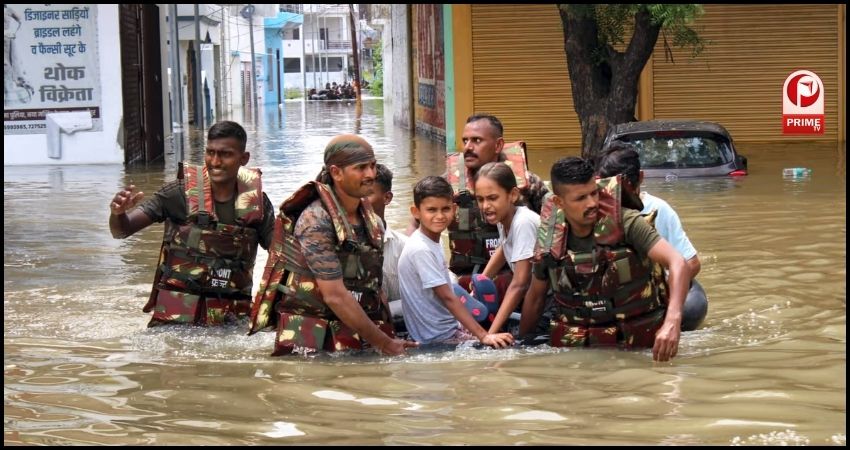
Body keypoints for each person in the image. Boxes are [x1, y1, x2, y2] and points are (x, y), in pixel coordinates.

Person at [248, 134, 417, 356]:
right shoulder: (315, 219)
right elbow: (334, 295)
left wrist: (386, 336)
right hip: (314, 342)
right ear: (336, 172)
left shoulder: (369, 217)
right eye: (361, 168)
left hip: (358, 334)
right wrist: (385, 344)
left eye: (373, 166)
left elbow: (373, 284)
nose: (370, 174)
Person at [518, 157, 688, 362]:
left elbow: (678, 263)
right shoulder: (550, 238)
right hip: (579, 345)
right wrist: (521, 346)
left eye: (594, 193)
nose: (592, 203)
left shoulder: (626, 221)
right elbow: (535, 297)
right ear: (558, 202)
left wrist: (673, 321)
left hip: (638, 340)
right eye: (580, 198)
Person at [109, 120, 275, 326]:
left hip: (231, 317)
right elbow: (122, 231)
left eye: (225, 154)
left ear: (244, 158)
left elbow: (280, 255)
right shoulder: (177, 194)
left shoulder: (258, 204)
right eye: (210, 152)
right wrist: (118, 214)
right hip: (175, 317)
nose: (215, 162)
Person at [595, 144, 707, 331]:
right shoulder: (589, 209)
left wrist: (665, 296)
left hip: (650, 293)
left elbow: (691, 263)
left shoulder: (658, 209)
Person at [398, 176, 514, 348]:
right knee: (505, 349)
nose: (439, 216)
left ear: (453, 209)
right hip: (439, 338)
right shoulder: (421, 249)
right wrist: (483, 336)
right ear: (416, 212)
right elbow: (447, 297)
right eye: (431, 210)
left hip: (446, 329)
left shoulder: (429, 241)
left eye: (445, 209)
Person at [475, 162, 541, 333]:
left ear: (512, 195)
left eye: (492, 198)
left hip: (545, 303)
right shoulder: (504, 218)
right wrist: (479, 284)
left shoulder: (523, 222)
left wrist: (489, 335)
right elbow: (504, 248)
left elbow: (520, 284)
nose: (485, 206)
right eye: (480, 199)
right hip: (532, 298)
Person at [366, 164, 408, 324]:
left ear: (387, 198)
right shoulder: (338, 246)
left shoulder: (405, 247)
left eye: (368, 195)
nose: (360, 202)